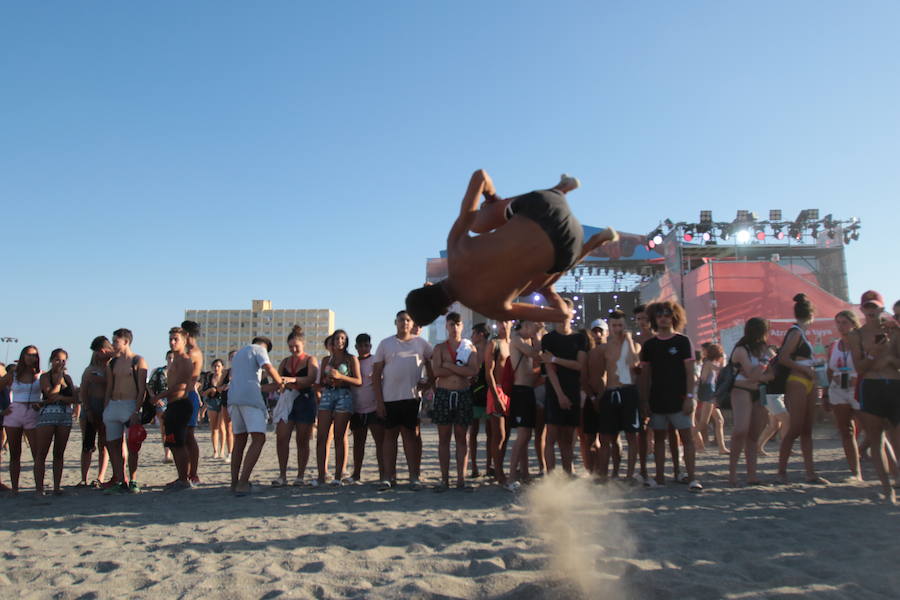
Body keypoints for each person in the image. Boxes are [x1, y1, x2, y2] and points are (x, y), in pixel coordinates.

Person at [405, 170, 618, 326]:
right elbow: (480, 176)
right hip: (545, 204)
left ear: (443, 312)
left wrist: (549, 292)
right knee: (478, 222)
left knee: (530, 287)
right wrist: (493, 200)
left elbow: (562, 315)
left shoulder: (491, 308)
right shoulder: (455, 247)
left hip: (570, 243)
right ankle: (562, 188)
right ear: (426, 287)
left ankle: (598, 240)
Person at [638, 301, 701, 491]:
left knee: (687, 439)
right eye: (659, 315)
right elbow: (645, 377)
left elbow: (690, 373)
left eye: (667, 314)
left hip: (680, 399)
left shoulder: (683, 342)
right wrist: (644, 401)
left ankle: (692, 478)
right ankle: (659, 478)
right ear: (654, 319)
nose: (663, 318)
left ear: (674, 316)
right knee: (658, 440)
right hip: (657, 401)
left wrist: (690, 397)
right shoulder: (649, 345)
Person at [849, 290, 900, 503]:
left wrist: (890, 358)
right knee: (876, 438)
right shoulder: (856, 335)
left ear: (881, 308)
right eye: (867, 307)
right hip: (871, 385)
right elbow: (859, 366)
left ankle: (896, 480)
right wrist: (875, 354)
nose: (871, 311)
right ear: (861, 309)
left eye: (875, 307)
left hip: (894, 384)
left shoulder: (895, 331)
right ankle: (887, 489)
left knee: (896, 439)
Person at [373, 311, 433, 491]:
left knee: (411, 438)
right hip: (390, 398)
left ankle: (414, 477)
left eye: (408, 320)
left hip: (412, 398)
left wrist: (429, 381)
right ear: (395, 322)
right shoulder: (385, 344)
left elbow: (433, 364)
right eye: (401, 320)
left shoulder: (421, 343)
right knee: (389, 438)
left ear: (412, 323)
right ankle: (388, 477)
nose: (404, 323)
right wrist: (379, 402)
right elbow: (376, 375)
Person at [220, 336, 283, 495]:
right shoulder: (260, 350)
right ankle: (243, 483)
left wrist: (272, 386)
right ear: (266, 347)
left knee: (239, 441)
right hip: (250, 401)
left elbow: (253, 383)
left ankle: (234, 482)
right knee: (258, 438)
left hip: (234, 399)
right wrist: (280, 383)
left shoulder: (240, 353)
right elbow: (268, 367)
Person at [776, 294, 828, 485]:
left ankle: (810, 472)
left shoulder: (801, 333)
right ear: (812, 314)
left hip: (808, 380)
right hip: (798, 380)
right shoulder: (796, 332)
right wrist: (805, 368)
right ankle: (781, 471)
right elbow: (783, 357)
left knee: (806, 429)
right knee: (796, 427)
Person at [591, 310, 642, 483]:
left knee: (631, 436)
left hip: (629, 391)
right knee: (606, 437)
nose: (617, 329)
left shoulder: (634, 344)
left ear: (625, 326)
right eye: (614, 325)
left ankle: (628, 474)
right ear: (609, 327)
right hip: (611, 392)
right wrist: (598, 395)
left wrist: (627, 340)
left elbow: (634, 363)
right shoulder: (604, 348)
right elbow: (597, 375)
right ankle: (605, 474)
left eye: (620, 325)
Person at [431, 312, 479, 491]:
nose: (454, 328)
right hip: (444, 394)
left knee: (461, 438)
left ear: (462, 326)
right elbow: (436, 371)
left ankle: (461, 479)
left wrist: (449, 366)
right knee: (443, 438)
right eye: (451, 324)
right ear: (446, 326)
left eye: (457, 324)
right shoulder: (439, 348)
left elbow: (472, 371)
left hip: (463, 393)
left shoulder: (469, 347)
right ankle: (444, 480)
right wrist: (460, 369)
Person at [541, 298, 588, 475]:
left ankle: (568, 474)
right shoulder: (548, 339)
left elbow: (580, 365)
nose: (561, 317)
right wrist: (560, 395)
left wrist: (555, 359)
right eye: (557, 313)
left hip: (573, 390)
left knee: (568, 439)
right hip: (554, 392)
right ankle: (551, 478)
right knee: (551, 437)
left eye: (564, 312)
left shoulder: (579, 338)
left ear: (572, 313)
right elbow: (549, 369)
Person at [728, 318, 775, 487]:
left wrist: (760, 373)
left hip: (757, 391)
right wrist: (764, 363)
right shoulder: (741, 350)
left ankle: (752, 475)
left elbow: (771, 375)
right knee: (740, 430)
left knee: (754, 434)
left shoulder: (765, 350)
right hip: (741, 390)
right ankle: (732, 473)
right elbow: (754, 374)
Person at [272, 326, 318, 487]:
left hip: (305, 400)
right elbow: (278, 381)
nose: (293, 349)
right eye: (290, 346)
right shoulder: (285, 361)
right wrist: (280, 385)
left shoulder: (310, 359)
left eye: (296, 346)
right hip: (288, 400)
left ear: (303, 344)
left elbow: (311, 379)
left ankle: (300, 475)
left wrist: (292, 380)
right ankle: (282, 475)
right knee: (281, 437)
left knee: (302, 440)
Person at [104, 329, 148, 493]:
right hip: (114, 404)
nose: (113, 344)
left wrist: (136, 410)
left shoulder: (138, 361)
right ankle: (120, 479)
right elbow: (109, 386)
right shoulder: (112, 363)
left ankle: (133, 479)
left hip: (130, 404)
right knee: (113, 445)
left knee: (133, 445)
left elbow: (142, 389)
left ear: (126, 342)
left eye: (116, 341)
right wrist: (106, 406)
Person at [150, 328, 194, 490]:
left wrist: (159, 395)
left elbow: (181, 385)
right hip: (172, 404)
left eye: (176, 339)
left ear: (184, 340)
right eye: (171, 339)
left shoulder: (184, 360)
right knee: (172, 443)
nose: (172, 342)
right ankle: (180, 477)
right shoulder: (174, 360)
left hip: (181, 403)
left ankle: (184, 479)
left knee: (179, 443)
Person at [316, 329, 361, 486]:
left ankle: (337, 477)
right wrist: (327, 380)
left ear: (346, 341)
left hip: (344, 395)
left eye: (343, 338)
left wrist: (341, 377)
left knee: (339, 436)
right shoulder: (326, 360)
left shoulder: (351, 359)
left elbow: (358, 381)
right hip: (328, 394)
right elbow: (321, 380)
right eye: (337, 338)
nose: (339, 341)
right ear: (332, 341)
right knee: (321, 436)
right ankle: (321, 476)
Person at [825, 310, 862, 481]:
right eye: (838, 322)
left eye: (844, 322)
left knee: (873, 430)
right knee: (846, 431)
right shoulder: (834, 345)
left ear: (854, 323)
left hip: (859, 389)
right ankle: (855, 472)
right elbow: (829, 369)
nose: (840, 326)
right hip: (838, 390)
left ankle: (889, 470)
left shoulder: (862, 343)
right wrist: (825, 392)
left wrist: (858, 377)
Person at [34, 348, 76, 495]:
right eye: (57, 359)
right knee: (42, 453)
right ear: (51, 360)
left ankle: (57, 486)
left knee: (59, 453)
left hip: (64, 415)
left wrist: (61, 397)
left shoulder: (68, 378)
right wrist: (58, 383)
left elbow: (75, 399)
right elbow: (49, 394)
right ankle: (39, 488)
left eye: (63, 360)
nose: (60, 363)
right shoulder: (45, 376)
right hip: (48, 415)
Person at [0, 346, 42, 494]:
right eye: (29, 355)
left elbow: (49, 393)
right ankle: (15, 489)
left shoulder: (40, 375)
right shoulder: (14, 374)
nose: (32, 358)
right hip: (15, 412)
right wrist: (2, 410)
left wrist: (41, 404)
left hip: (33, 412)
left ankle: (39, 488)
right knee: (14, 453)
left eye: (35, 355)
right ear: (23, 356)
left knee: (37, 453)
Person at [507, 320, 543, 488]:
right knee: (522, 436)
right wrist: (537, 335)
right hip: (520, 390)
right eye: (533, 326)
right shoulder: (516, 339)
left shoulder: (525, 340)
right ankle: (512, 476)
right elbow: (536, 354)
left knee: (527, 435)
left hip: (527, 390)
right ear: (525, 326)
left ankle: (524, 473)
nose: (535, 329)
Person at [350, 333, 385, 483]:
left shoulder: (376, 360)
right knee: (358, 443)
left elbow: (382, 382)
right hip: (356, 408)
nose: (363, 348)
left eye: (366, 345)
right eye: (360, 345)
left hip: (374, 407)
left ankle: (383, 473)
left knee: (380, 442)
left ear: (370, 346)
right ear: (356, 347)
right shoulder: (352, 361)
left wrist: (380, 404)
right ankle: (356, 474)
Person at [78, 336, 112, 486]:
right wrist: (87, 409)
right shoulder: (90, 370)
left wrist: (103, 381)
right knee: (87, 444)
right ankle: (84, 478)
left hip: (106, 407)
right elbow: (83, 392)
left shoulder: (112, 368)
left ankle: (101, 476)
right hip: (90, 406)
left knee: (103, 445)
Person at [485, 320, 512, 485]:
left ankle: (499, 468)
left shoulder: (514, 343)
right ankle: (499, 472)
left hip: (512, 391)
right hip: (498, 390)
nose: (503, 324)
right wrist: (495, 396)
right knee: (499, 434)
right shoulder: (494, 344)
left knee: (507, 434)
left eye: (506, 321)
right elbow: (488, 372)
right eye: (500, 321)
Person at [694, 343, 729, 455]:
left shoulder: (709, 363)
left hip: (711, 393)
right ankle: (688, 440)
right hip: (708, 393)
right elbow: (720, 370)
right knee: (704, 422)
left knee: (719, 420)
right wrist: (725, 360)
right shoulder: (709, 363)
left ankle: (722, 448)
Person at [467, 323, 492, 478]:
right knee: (473, 432)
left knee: (491, 433)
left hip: (489, 393)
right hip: (474, 394)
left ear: (481, 334)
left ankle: (489, 465)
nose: (471, 337)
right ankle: (475, 466)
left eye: (473, 333)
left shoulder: (492, 348)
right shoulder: (471, 351)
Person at [181, 320, 204, 485]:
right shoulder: (186, 351)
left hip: (188, 395)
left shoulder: (192, 352)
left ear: (186, 334)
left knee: (188, 435)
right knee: (183, 436)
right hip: (182, 395)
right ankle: (186, 472)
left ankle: (193, 473)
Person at [147, 350, 175, 463]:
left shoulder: (179, 372)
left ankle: (173, 451)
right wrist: (156, 398)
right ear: (166, 358)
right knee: (164, 428)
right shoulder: (159, 371)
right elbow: (149, 386)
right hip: (161, 400)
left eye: (173, 358)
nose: (171, 360)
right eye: (169, 357)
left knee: (173, 428)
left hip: (175, 400)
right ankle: (167, 453)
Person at [203, 359, 228, 459]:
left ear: (222, 367)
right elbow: (203, 392)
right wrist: (211, 389)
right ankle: (215, 451)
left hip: (223, 402)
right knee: (214, 428)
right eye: (214, 366)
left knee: (222, 427)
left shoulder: (226, 377)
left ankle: (222, 451)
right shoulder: (209, 377)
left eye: (218, 366)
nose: (216, 368)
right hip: (212, 402)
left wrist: (219, 389)